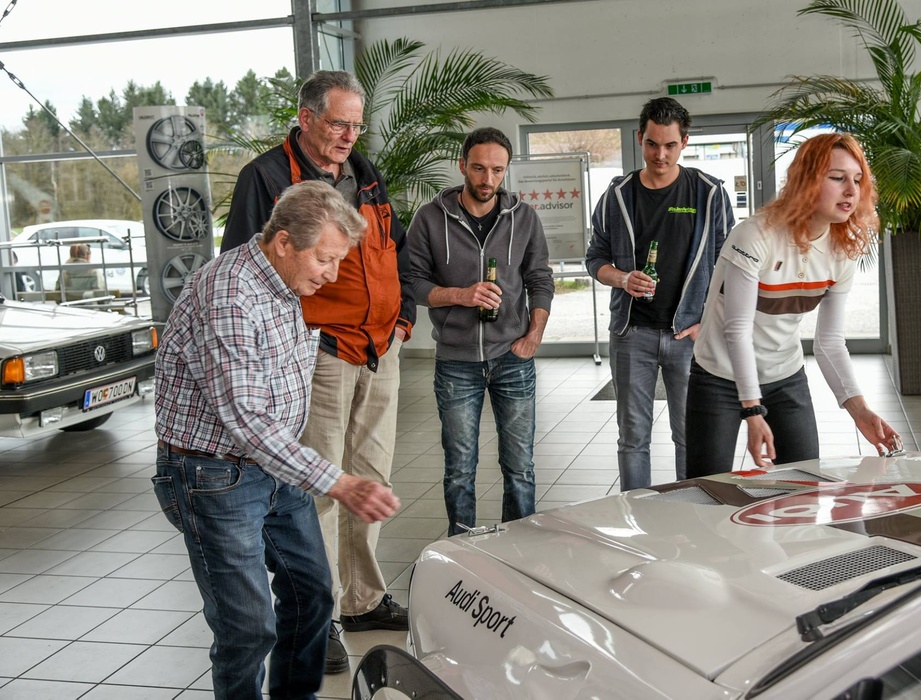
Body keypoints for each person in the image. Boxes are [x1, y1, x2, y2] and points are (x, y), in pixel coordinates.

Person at [152, 181, 401, 700]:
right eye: (325, 259)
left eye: (339, 261)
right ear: (284, 242)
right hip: (213, 476)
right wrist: (338, 482)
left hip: (274, 465)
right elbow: (245, 416)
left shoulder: (287, 283)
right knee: (248, 628)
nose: (332, 274)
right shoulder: (230, 292)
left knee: (313, 595)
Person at [223, 70, 415, 673]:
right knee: (321, 487)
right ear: (305, 118)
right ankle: (318, 615)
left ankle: (362, 600)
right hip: (320, 350)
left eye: (356, 125)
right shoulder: (266, 177)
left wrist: (404, 316)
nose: (349, 135)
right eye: (338, 123)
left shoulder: (365, 171)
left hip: (380, 347)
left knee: (370, 477)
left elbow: (397, 248)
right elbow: (243, 266)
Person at [686, 133, 900, 475]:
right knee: (707, 489)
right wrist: (752, 410)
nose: (851, 190)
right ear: (807, 181)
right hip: (719, 374)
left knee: (805, 485)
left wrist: (860, 411)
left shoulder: (841, 251)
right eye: (838, 177)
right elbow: (737, 330)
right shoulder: (755, 236)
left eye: (857, 180)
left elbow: (829, 343)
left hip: (785, 375)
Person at [406, 126, 554, 537]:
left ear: (506, 170)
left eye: (497, 170)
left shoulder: (524, 217)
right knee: (459, 469)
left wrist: (533, 335)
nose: (487, 179)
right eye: (478, 168)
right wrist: (460, 295)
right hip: (456, 362)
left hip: (512, 358)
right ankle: (462, 551)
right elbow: (411, 282)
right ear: (462, 165)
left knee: (520, 467)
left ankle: (519, 547)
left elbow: (540, 278)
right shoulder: (430, 218)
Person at [585, 97, 735, 491]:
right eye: (652, 144)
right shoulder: (618, 195)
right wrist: (622, 279)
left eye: (670, 145)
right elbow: (595, 257)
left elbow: (729, 265)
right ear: (640, 138)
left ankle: (694, 511)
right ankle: (638, 516)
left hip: (690, 336)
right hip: (632, 335)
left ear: (684, 142)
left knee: (691, 435)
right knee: (633, 438)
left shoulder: (708, 193)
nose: (660, 155)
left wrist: (708, 321)